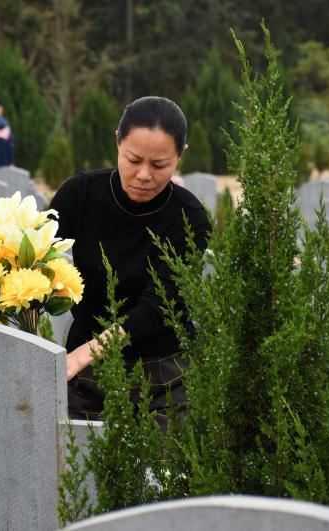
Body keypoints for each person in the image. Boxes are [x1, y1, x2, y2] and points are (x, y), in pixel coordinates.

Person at [50, 96, 211, 425]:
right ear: (117, 142)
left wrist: (86, 352)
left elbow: (156, 307)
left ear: (181, 155)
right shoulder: (78, 196)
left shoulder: (189, 217)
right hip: (86, 378)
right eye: (133, 159)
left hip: (165, 377)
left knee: (165, 475)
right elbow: (37, 264)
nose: (143, 175)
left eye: (159, 165)